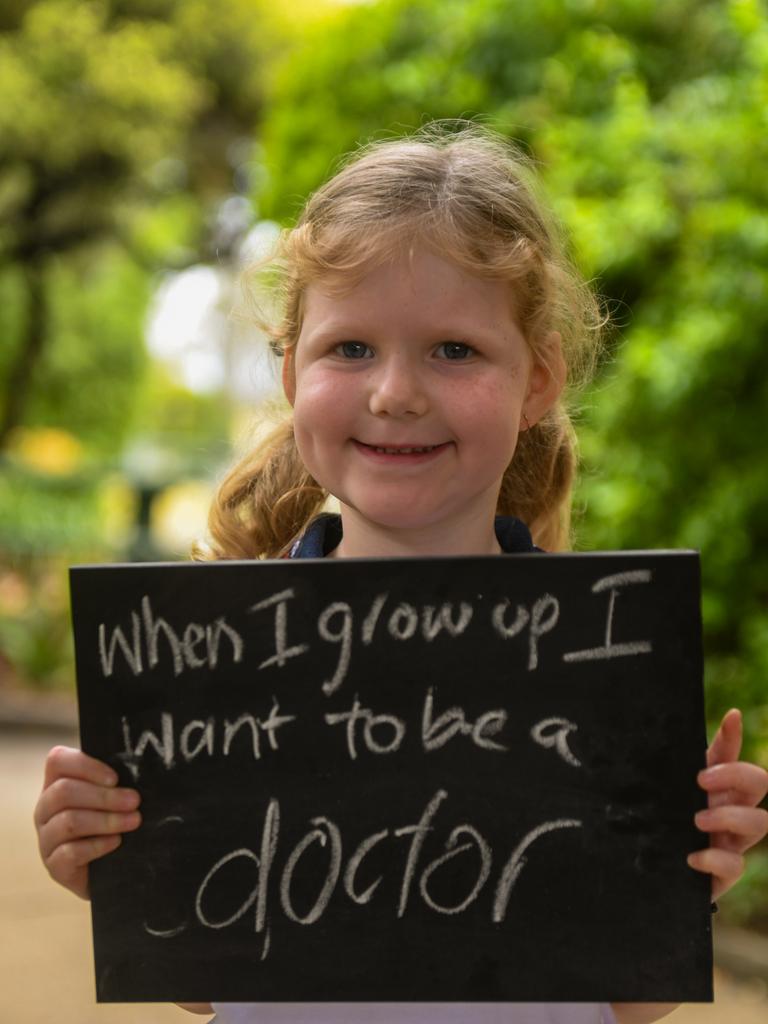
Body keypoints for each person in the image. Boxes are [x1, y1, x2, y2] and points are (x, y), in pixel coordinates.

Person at [34, 123, 768, 1024]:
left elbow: (624, 1000)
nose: (395, 393)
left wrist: (683, 878)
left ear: (538, 379)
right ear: (291, 370)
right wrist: (115, 868)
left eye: (454, 350)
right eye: (349, 349)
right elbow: (211, 984)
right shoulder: (215, 666)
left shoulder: (602, 669)